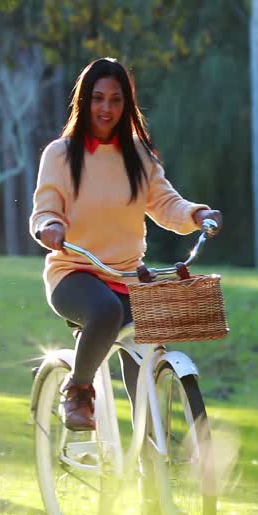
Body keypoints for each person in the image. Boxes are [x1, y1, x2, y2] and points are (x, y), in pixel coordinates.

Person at [30, 57, 222, 432]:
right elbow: (45, 209)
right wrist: (50, 227)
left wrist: (197, 214)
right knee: (105, 311)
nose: (106, 108)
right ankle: (79, 391)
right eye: (98, 98)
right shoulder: (61, 154)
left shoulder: (139, 155)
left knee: (147, 358)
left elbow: (165, 203)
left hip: (128, 278)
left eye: (116, 100)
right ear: (84, 101)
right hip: (74, 273)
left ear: (126, 105)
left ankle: (150, 458)